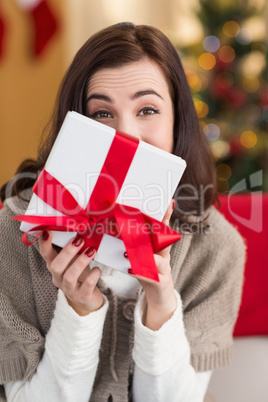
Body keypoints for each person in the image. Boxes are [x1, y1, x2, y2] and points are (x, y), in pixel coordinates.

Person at [0, 22, 245, 402]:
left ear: (178, 121)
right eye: (102, 114)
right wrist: (79, 309)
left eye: (147, 109)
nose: (125, 134)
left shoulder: (216, 250)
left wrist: (162, 305)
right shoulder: (12, 233)